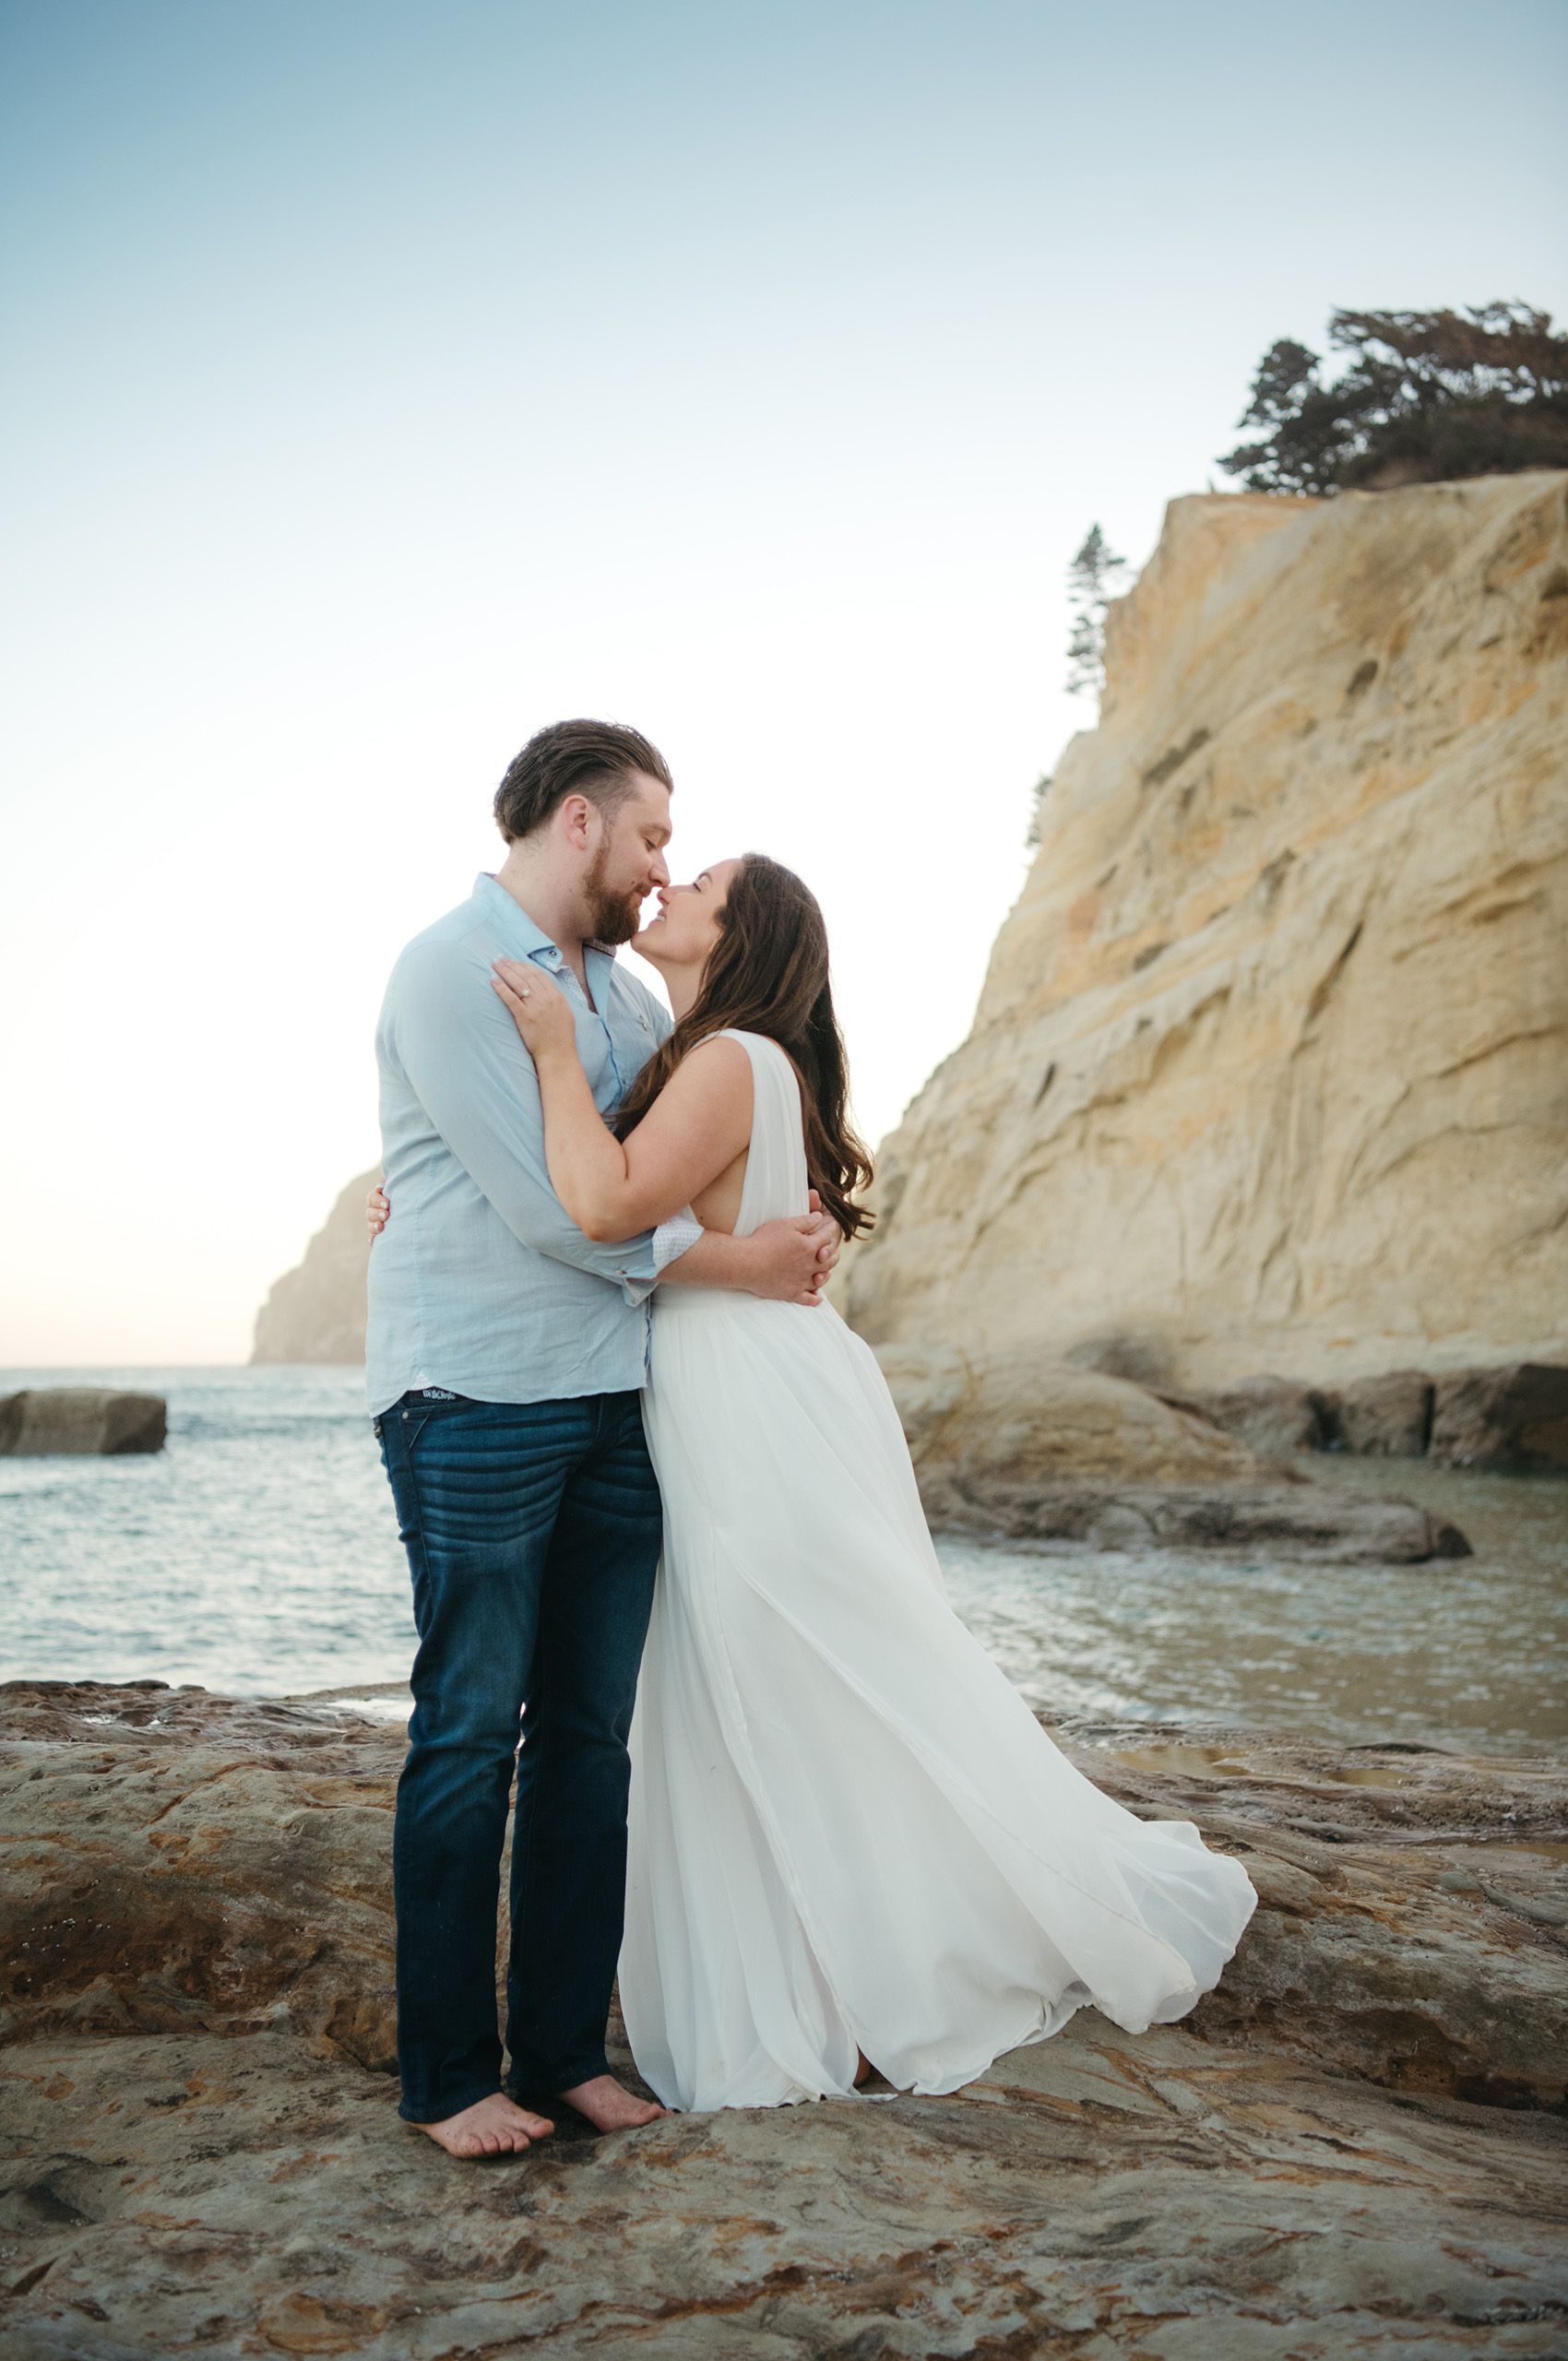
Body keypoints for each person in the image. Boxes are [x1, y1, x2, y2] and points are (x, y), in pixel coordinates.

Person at [381, 846, 1259, 2116]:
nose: (669, 887)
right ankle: (840, 1983)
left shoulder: (730, 1058)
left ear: (739, 941)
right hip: (745, 1390)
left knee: (803, 1686)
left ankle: (875, 1985)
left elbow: (606, 1200)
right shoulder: (717, 1054)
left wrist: (558, 1064)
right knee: (789, 1689)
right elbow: (583, 1199)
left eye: (704, 888)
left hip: (746, 1406)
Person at [365, 721, 843, 2159]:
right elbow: (553, 1209)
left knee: (589, 1743)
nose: (659, 871)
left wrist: (770, 1229)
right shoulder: (453, 971)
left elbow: (645, 1180)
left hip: (615, 1405)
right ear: (578, 822)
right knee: (466, 1738)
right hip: (476, 1401)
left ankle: (564, 2049)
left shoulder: (629, 1001)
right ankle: (450, 2078)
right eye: (649, 839)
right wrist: (746, 1268)